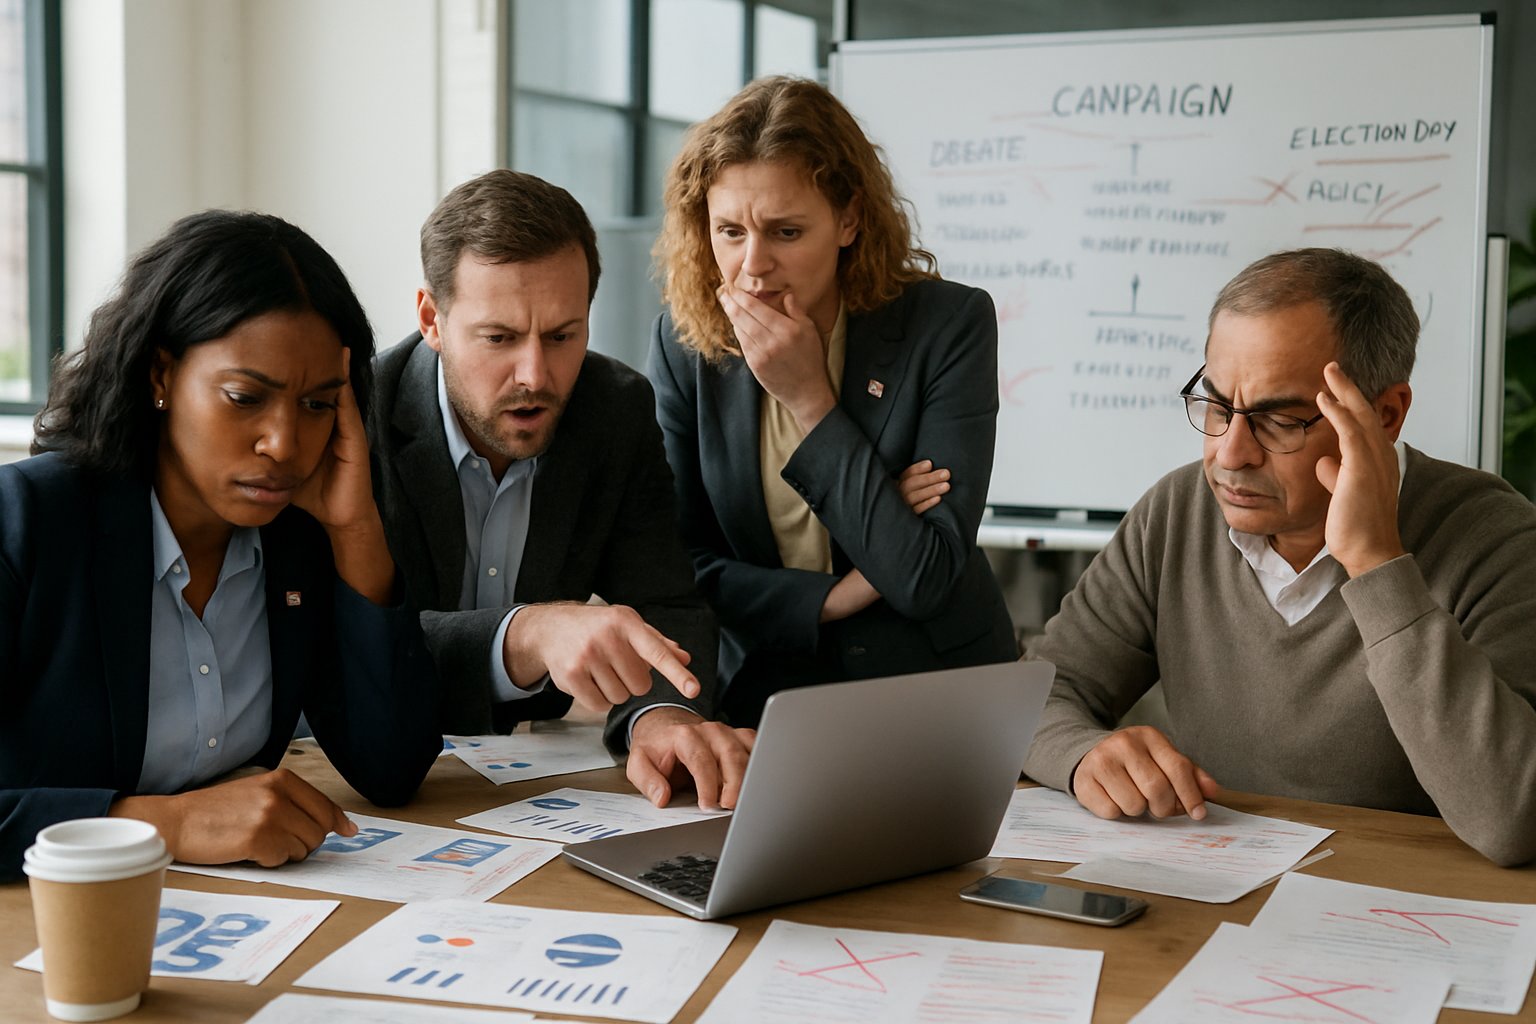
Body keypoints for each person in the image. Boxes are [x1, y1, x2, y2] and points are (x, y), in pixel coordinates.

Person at [1022, 247, 1536, 867]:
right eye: (1216, 405)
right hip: (1211, 893)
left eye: (1278, 420)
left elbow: (1514, 819)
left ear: (1385, 415)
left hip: (1402, 915)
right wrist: (1082, 754)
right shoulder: (1177, 512)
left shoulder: (1495, 537)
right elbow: (1034, 698)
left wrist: (1376, 563)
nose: (1230, 454)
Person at [0, 211, 440, 879]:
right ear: (160, 376)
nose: (284, 445)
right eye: (244, 398)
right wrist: (162, 824)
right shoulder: (26, 522)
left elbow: (392, 768)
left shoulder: (300, 538)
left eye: (318, 405)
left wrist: (356, 533)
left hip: (238, 926)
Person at [369, 170, 754, 810]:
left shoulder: (615, 409)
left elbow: (666, 603)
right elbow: (347, 643)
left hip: (524, 781)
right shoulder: (355, 417)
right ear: (432, 319)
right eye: (499, 338)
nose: (535, 375)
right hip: (354, 772)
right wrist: (527, 634)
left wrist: (659, 717)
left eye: (562, 335)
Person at [648, 75, 1018, 727]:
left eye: (786, 233)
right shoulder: (685, 346)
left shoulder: (948, 325)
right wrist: (838, 595)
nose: (753, 267)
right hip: (766, 694)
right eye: (730, 231)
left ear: (848, 219)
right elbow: (679, 572)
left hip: (940, 694)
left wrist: (811, 402)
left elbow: (924, 576)